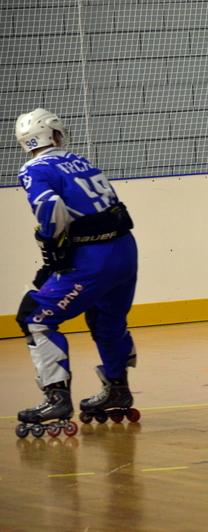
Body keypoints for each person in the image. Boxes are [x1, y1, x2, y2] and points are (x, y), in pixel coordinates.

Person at [13, 108, 140, 438]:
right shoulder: (80, 160)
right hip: (125, 251)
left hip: (91, 259)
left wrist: (51, 243)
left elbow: (50, 207)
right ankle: (117, 389)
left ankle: (55, 397)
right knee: (107, 320)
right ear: (54, 134)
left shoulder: (32, 169)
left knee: (34, 317)